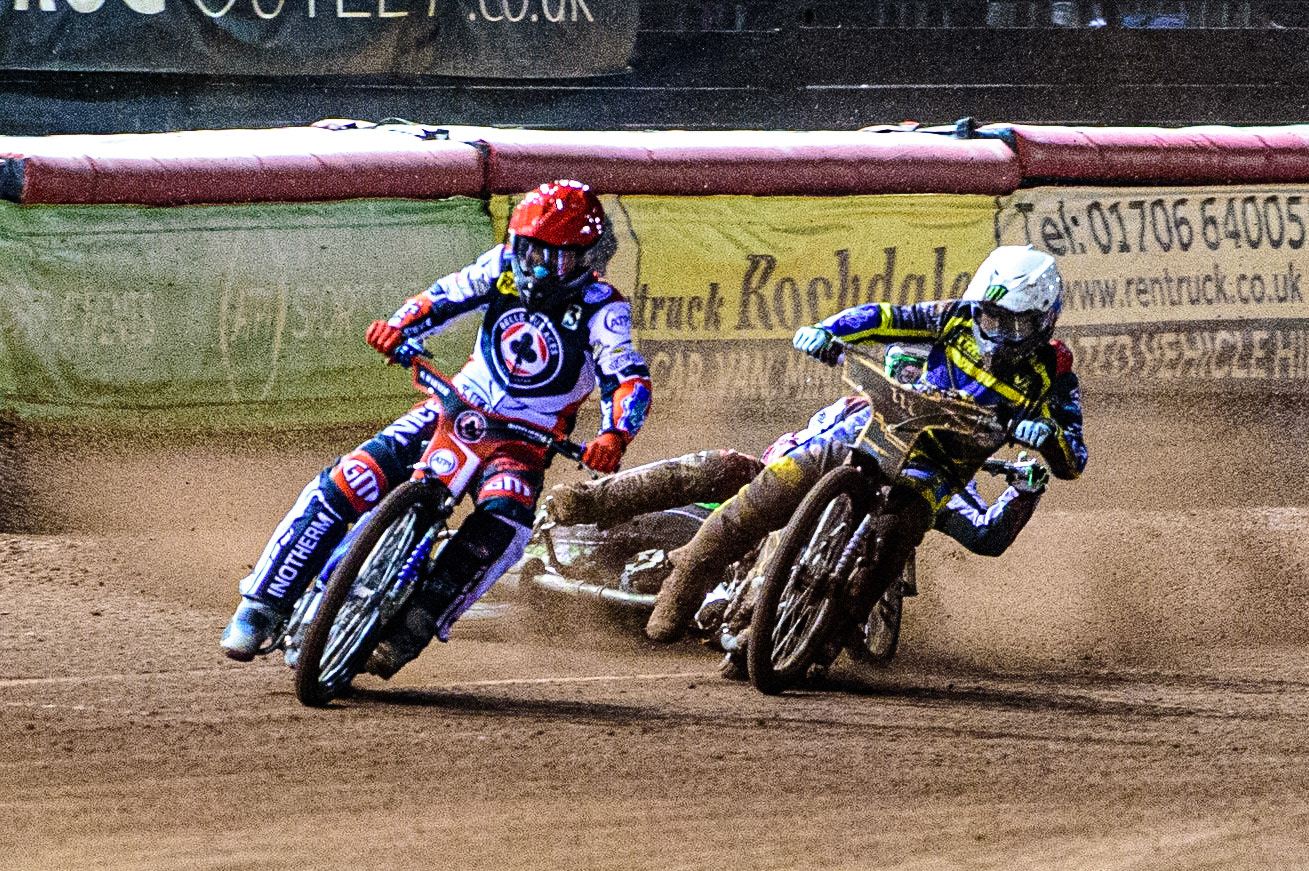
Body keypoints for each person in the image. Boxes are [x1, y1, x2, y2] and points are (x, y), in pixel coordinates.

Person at [221, 180, 653, 676]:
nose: (534, 267)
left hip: (524, 440)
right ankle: (262, 604)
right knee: (351, 477)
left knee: (504, 526)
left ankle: (415, 626)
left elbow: (625, 374)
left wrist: (614, 434)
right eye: (526, 249)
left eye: (551, 257)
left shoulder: (604, 307)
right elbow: (445, 296)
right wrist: (400, 328)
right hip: (454, 405)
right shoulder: (501, 267)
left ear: (582, 258)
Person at [644, 244, 1087, 642]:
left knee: (897, 536)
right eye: (991, 317)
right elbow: (886, 317)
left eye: (1015, 323)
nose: (998, 331)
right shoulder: (955, 316)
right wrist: (828, 330)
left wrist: (1047, 437)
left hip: (939, 466)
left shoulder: (1055, 372)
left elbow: (1074, 458)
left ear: (1044, 319)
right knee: (771, 488)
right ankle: (684, 582)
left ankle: (829, 637)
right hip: (879, 428)